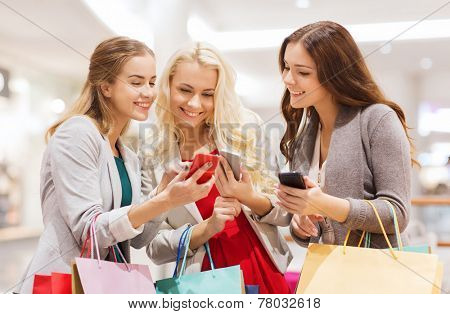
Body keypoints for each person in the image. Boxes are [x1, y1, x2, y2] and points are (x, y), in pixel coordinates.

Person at [16, 37, 214, 293]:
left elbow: (138, 239)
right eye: (136, 82)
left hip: (103, 286)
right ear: (106, 86)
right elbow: (90, 232)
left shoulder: (127, 155)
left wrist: (163, 194)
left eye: (152, 82)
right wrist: (163, 201)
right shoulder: (77, 132)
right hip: (64, 284)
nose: (148, 92)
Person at [140, 42, 292, 294]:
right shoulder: (152, 152)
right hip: (202, 281)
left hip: (258, 266)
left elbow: (285, 213)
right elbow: (153, 246)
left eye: (208, 94)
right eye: (185, 90)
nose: (195, 103)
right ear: (167, 87)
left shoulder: (246, 128)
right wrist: (207, 227)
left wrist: (248, 197)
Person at [274, 21, 414, 249]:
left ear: (335, 75)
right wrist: (301, 223)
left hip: (376, 275)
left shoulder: (377, 119)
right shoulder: (306, 133)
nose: (288, 79)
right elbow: (317, 225)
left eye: (303, 72)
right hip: (331, 273)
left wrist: (324, 204)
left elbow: (397, 214)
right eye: (287, 67)